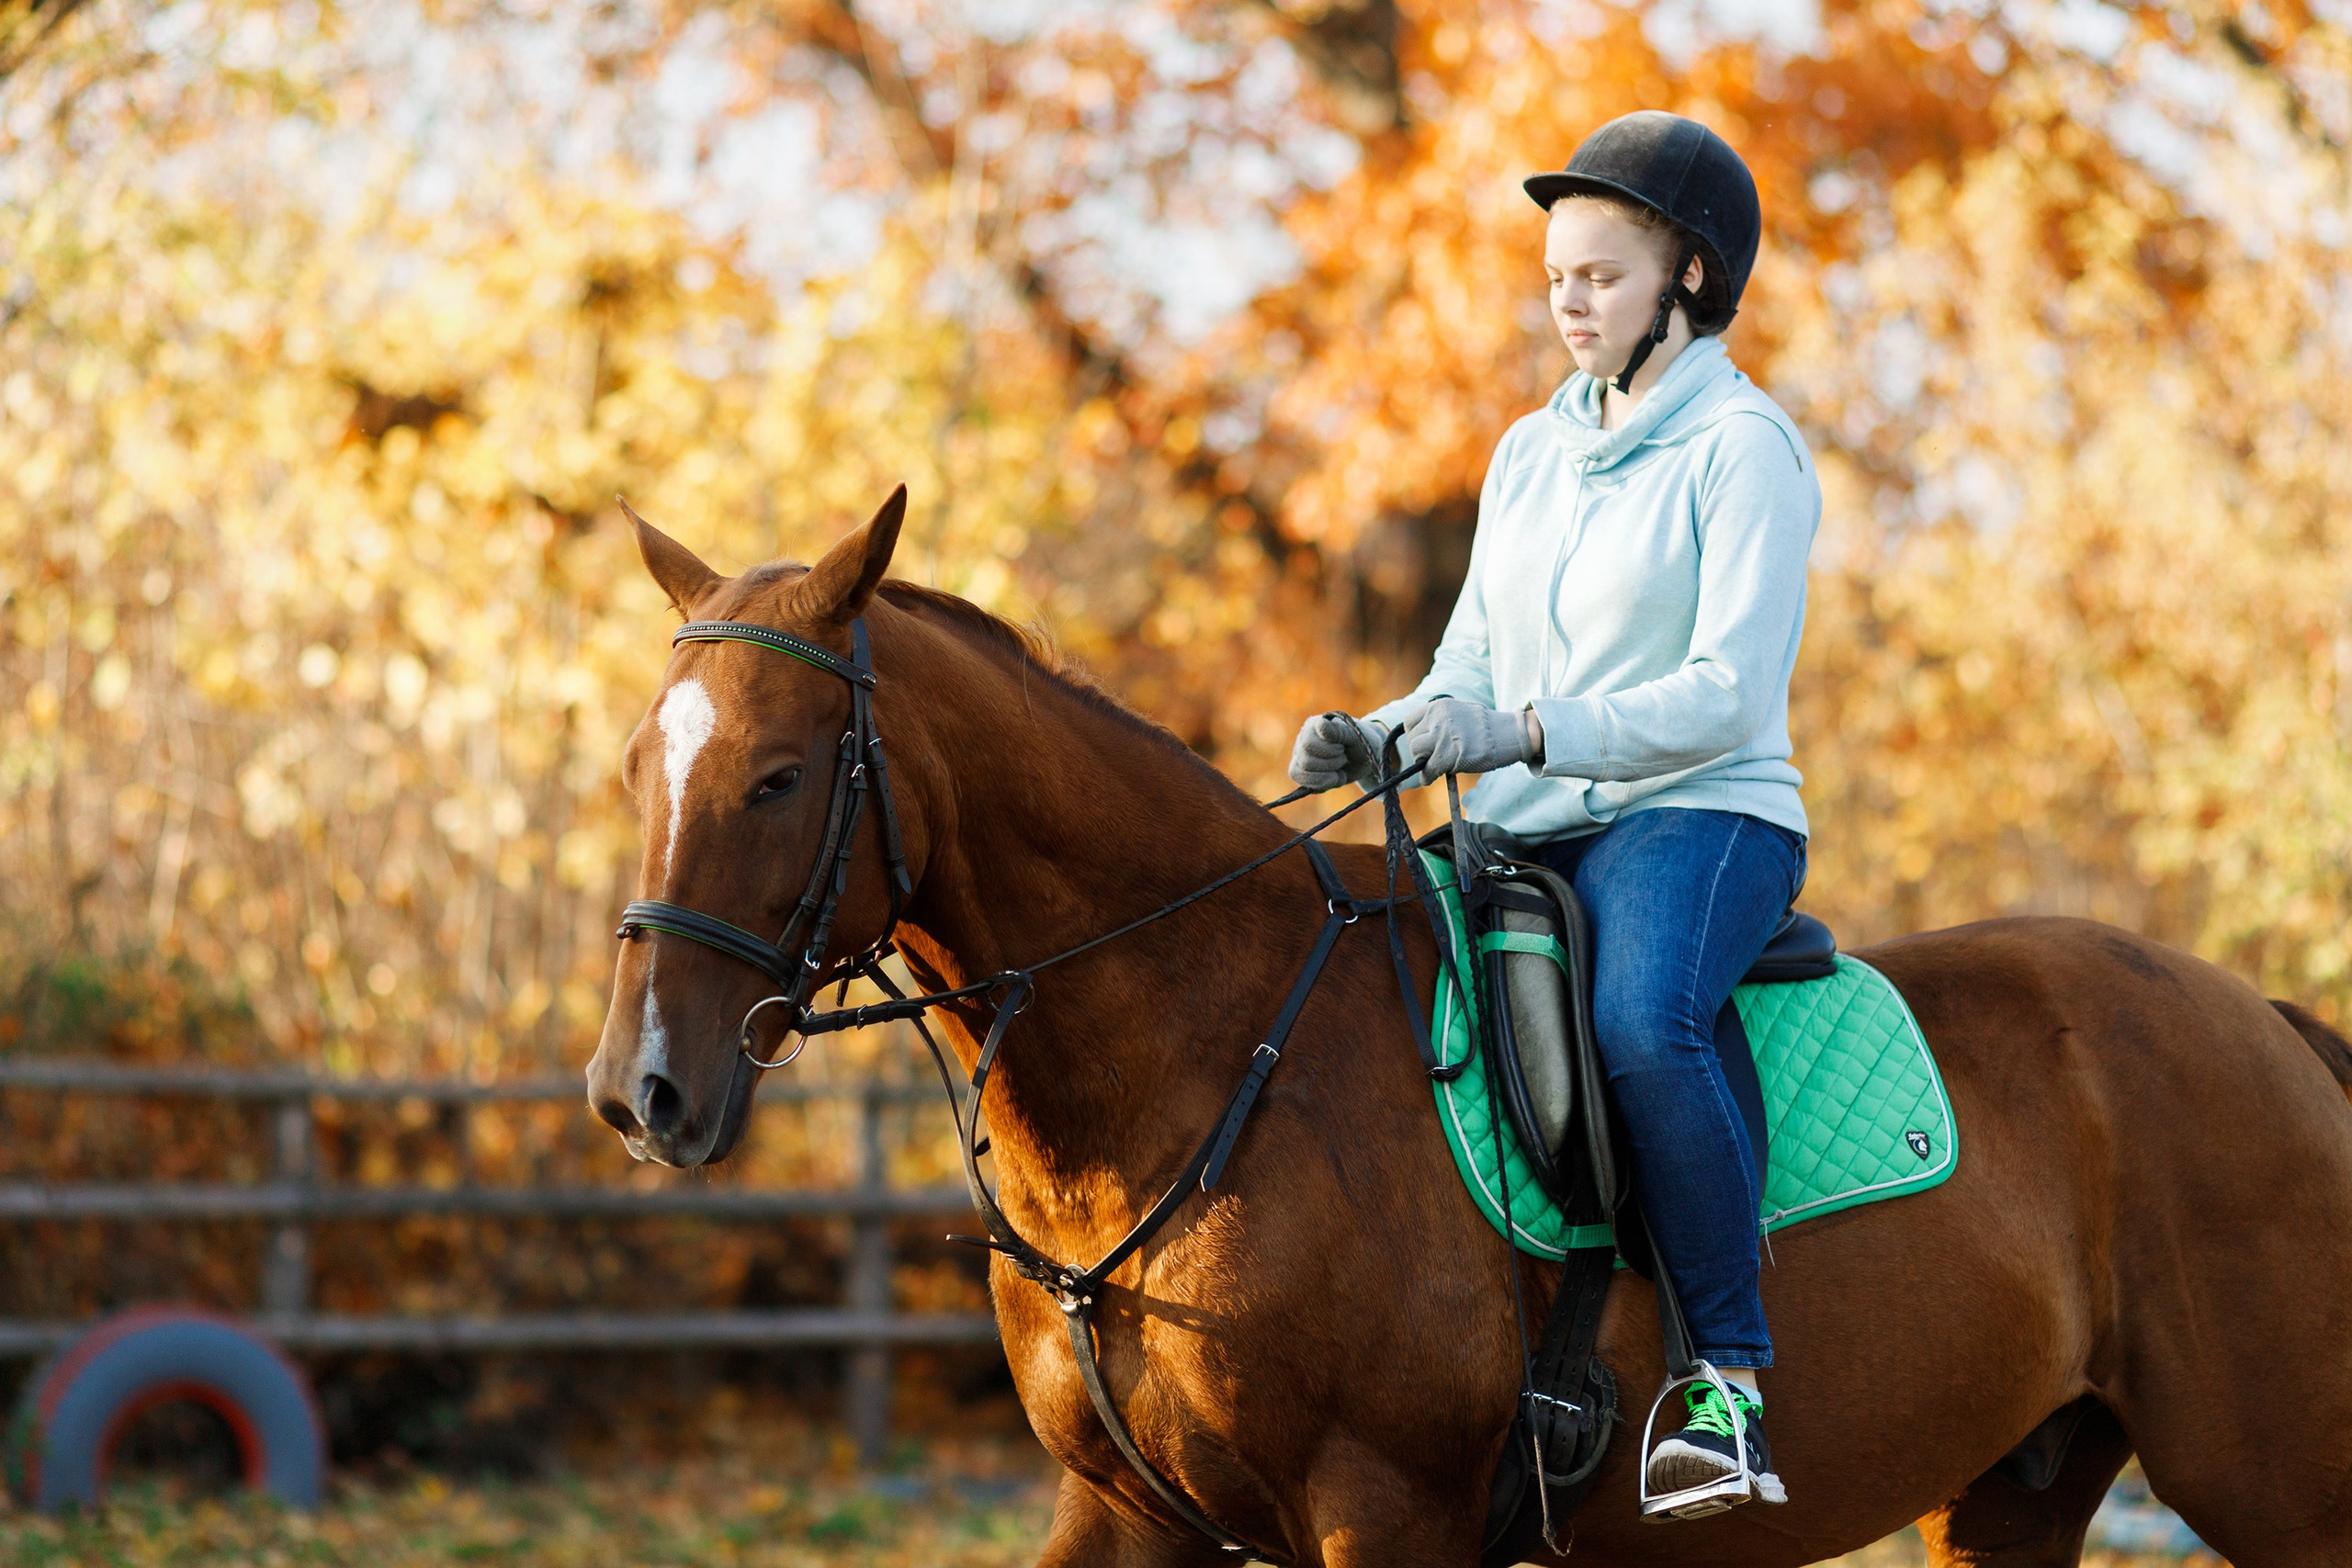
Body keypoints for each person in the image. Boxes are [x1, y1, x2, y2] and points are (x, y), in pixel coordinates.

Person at [1288, 110, 1819, 1510]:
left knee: (1644, 1021)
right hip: (1531, 819)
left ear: (1688, 280)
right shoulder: (1531, 451)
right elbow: (1469, 662)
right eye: (1556, 279)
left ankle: (1730, 1385)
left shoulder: (1746, 448)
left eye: (1599, 274)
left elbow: (1726, 692)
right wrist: (1381, 734)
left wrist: (1525, 729)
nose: (1566, 300)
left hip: (1701, 814)